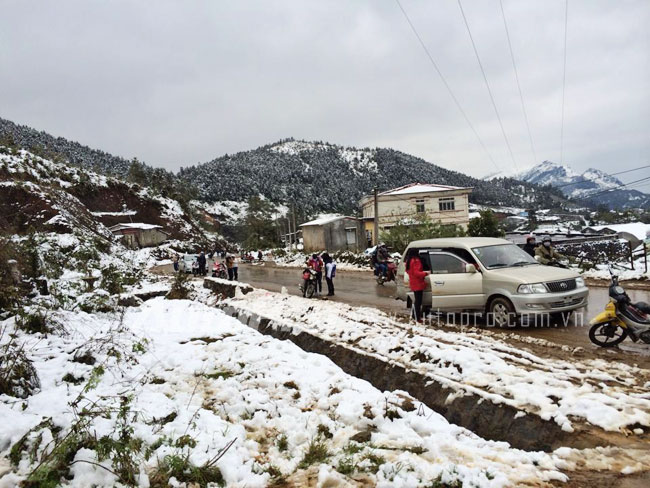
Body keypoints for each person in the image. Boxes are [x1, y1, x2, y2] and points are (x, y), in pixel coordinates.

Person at [405, 248, 430, 323]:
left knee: (416, 301)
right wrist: (426, 273)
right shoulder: (416, 261)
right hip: (418, 282)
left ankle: (414, 315)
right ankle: (417, 318)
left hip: (413, 282)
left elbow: (408, 271)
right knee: (418, 302)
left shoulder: (408, 261)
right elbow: (416, 273)